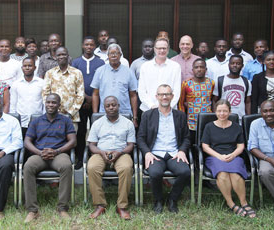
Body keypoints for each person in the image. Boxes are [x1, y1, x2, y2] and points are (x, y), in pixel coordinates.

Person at [137, 84, 191, 214]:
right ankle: (158, 200)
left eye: (167, 94)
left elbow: (187, 137)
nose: (164, 97)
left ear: (172, 96)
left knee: (185, 172)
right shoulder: (147, 115)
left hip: (174, 153)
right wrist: (147, 153)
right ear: (157, 97)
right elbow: (140, 138)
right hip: (155, 153)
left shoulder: (180, 115)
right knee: (155, 173)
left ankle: (172, 199)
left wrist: (182, 151)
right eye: (161, 94)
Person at [23, 93, 75, 222]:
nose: (50, 105)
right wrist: (39, 152)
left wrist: (56, 151)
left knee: (66, 166)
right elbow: (27, 141)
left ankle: (62, 208)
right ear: (45, 104)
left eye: (54, 102)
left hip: (59, 154)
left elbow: (73, 141)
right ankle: (32, 210)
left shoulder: (66, 120)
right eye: (48, 102)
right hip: (40, 154)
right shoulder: (36, 121)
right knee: (28, 166)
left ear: (59, 105)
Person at [202, 99, 256, 218]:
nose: (222, 114)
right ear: (215, 111)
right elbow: (205, 146)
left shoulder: (236, 127)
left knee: (236, 174)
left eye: (225, 111)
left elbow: (241, 145)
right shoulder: (209, 127)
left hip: (234, 156)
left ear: (230, 112)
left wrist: (233, 155)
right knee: (222, 174)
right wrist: (219, 156)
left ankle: (243, 202)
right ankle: (230, 203)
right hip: (214, 157)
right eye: (219, 111)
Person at [87, 96, 135, 220]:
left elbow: (131, 145)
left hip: (121, 153)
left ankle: (122, 206)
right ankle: (100, 205)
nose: (111, 107)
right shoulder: (97, 123)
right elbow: (91, 145)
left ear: (118, 106)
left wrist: (119, 153)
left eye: (114, 105)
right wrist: (102, 153)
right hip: (100, 153)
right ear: (104, 108)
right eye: (108, 106)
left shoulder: (128, 123)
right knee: (92, 167)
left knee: (126, 168)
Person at [72, 36, 105, 169]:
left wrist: (93, 99)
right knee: (80, 131)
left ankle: (95, 156)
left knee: (97, 130)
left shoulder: (101, 62)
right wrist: (85, 97)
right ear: (82, 46)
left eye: (91, 45)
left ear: (94, 46)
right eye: (86, 45)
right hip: (80, 103)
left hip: (97, 102)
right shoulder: (76, 62)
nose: (89, 47)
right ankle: (80, 158)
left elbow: (103, 83)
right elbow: (73, 83)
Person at [91, 44, 138, 126]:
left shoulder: (129, 72)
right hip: (104, 114)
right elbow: (95, 94)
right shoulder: (100, 71)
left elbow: (133, 96)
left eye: (116, 53)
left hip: (124, 113)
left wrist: (134, 117)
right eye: (111, 53)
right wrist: (95, 115)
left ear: (120, 55)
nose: (113, 55)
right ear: (107, 56)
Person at [42, 47, 84, 130]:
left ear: (68, 56)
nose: (61, 57)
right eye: (59, 55)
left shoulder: (77, 73)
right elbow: (45, 94)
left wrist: (70, 112)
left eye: (63, 54)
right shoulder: (50, 73)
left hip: (72, 118)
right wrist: (53, 111)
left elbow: (80, 95)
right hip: (53, 117)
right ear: (56, 57)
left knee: (71, 142)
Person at [138, 38, 181, 112]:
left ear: (168, 49)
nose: (162, 51)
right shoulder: (145, 67)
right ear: (154, 49)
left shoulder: (175, 67)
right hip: (148, 110)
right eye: (159, 48)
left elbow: (176, 91)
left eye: (164, 48)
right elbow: (141, 90)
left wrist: (167, 107)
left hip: (169, 110)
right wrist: (151, 105)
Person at [178, 58, 214, 142]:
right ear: (192, 70)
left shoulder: (211, 83)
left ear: (206, 69)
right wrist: (183, 121)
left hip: (207, 121)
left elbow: (212, 100)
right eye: (196, 67)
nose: (199, 69)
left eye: (202, 67)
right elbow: (181, 103)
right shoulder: (186, 84)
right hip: (191, 123)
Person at [10, 57, 44, 137]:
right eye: (25, 66)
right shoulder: (16, 84)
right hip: (21, 122)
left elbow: (44, 104)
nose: (27, 68)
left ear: (35, 68)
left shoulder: (42, 83)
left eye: (30, 65)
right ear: (22, 68)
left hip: (38, 121)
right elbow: (13, 104)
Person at [212, 55, 252, 120]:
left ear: (242, 66)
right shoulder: (220, 80)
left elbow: (248, 102)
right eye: (232, 63)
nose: (235, 65)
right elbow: (214, 100)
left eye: (238, 63)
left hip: (240, 119)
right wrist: (216, 116)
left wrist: (248, 118)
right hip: (223, 118)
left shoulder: (247, 82)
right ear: (228, 65)